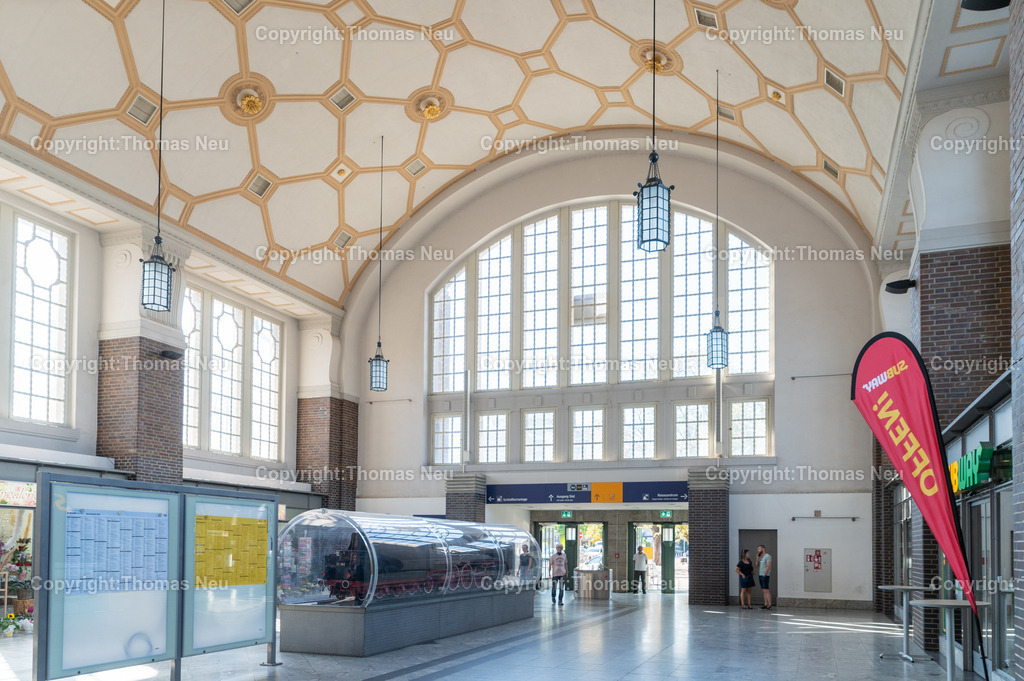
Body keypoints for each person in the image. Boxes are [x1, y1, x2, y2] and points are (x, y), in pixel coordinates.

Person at [756, 544, 773, 610]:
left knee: (766, 589)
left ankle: (770, 605)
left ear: (763, 549)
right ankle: (765, 604)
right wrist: (757, 558)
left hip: (765, 575)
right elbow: (757, 565)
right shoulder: (761, 557)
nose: (758, 550)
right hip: (760, 574)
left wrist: (765, 573)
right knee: (763, 590)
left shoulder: (767, 556)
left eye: (759, 549)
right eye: (757, 549)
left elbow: (768, 566)